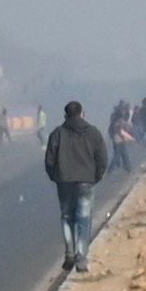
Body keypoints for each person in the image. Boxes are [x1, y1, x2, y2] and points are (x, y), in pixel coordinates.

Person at [41, 99, 107, 267]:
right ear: (82, 113)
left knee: (67, 217)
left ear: (65, 115)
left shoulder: (57, 134)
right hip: (86, 181)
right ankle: (81, 257)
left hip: (64, 181)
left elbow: (49, 160)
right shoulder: (93, 133)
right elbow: (102, 159)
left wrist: (55, 176)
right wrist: (96, 177)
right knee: (84, 219)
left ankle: (69, 253)